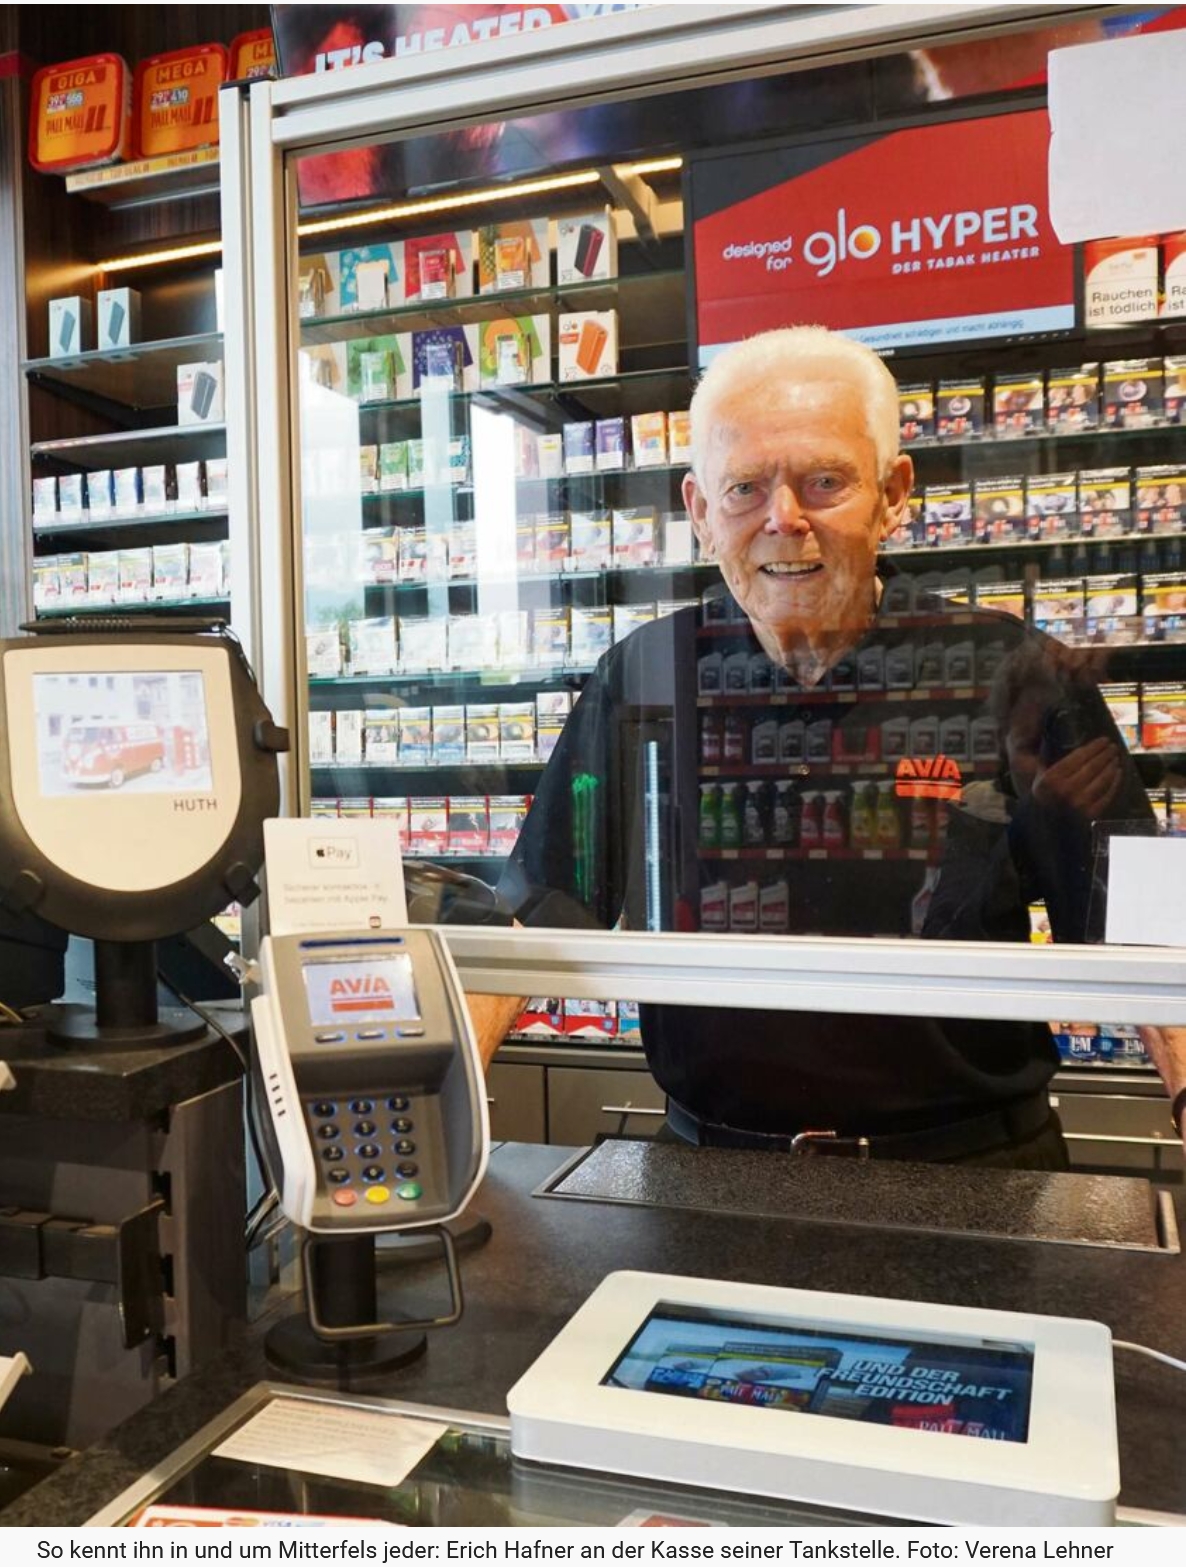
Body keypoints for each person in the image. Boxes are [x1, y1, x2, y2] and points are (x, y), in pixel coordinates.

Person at [473, 326, 1186, 1167]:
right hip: (711, 1176)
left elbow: (1148, 931)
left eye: (824, 481)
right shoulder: (643, 677)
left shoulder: (1018, 672)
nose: (784, 519)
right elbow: (537, 906)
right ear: (700, 511)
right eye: (744, 487)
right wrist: (428, 1114)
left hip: (972, 1178)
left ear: (893, 493)